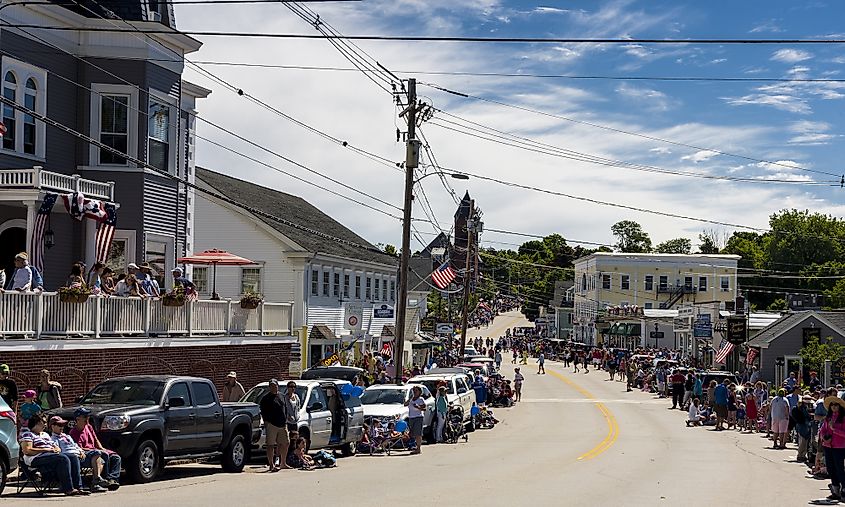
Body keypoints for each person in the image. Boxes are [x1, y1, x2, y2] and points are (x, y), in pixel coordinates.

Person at [20, 414, 88, 496]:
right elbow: (27, 450)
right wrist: (47, 450)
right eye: (43, 422)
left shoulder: (45, 434)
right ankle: (68, 489)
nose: (45, 424)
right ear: (36, 423)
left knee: (73, 457)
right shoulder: (28, 434)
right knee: (63, 458)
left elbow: (54, 446)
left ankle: (78, 487)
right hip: (36, 458)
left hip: (51, 455)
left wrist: (56, 448)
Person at [50, 416, 108, 493]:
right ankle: (89, 484)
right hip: (71, 457)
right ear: (52, 426)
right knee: (96, 459)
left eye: (63, 425)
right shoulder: (53, 439)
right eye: (59, 425)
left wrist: (81, 451)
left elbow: (76, 445)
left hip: (80, 455)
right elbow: (59, 451)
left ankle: (98, 480)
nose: (62, 427)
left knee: (99, 454)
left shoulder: (67, 436)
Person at [69, 407, 121, 490]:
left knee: (116, 457)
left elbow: (96, 440)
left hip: (95, 450)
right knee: (102, 455)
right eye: (85, 417)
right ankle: (101, 481)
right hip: (86, 453)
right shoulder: (74, 432)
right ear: (78, 419)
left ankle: (112, 480)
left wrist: (101, 448)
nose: (87, 418)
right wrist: (98, 451)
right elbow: (79, 448)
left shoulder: (89, 427)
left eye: (88, 416)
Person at [259, 379, 289, 471]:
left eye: (274, 385)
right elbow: (263, 411)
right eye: (271, 386)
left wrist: (286, 419)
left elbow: (286, 408)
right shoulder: (265, 398)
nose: (273, 387)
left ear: (277, 386)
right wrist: (266, 422)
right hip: (271, 424)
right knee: (270, 445)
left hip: (282, 424)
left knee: (286, 443)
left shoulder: (282, 396)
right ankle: (271, 465)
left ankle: (283, 463)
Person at [820, 396, 845, 502]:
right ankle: (835, 490)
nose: (834, 407)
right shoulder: (828, 418)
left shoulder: (843, 418)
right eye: (832, 405)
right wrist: (823, 437)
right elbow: (823, 429)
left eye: (836, 405)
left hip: (839, 446)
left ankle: (844, 489)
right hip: (828, 445)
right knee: (830, 468)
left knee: (839, 468)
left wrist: (834, 429)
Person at [405, 385, 426, 455]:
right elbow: (405, 404)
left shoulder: (421, 399)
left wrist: (418, 407)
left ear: (419, 392)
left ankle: (418, 448)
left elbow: (424, 408)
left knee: (418, 434)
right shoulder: (411, 399)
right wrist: (410, 399)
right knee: (412, 433)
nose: (414, 392)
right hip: (411, 417)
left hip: (418, 417)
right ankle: (414, 446)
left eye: (416, 390)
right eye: (413, 390)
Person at [794, 395, 813, 462]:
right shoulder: (800, 407)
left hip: (806, 425)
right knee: (802, 441)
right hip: (802, 426)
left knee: (805, 441)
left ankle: (803, 455)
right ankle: (800, 455)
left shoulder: (807, 407)